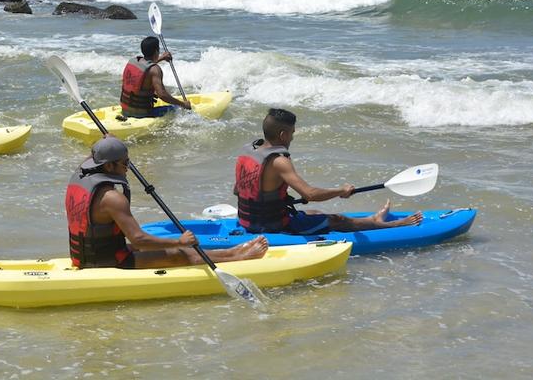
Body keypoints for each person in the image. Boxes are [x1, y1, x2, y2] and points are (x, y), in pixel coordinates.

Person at [66, 136, 268, 269]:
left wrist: (108, 142)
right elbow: (138, 239)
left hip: (86, 256)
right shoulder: (112, 198)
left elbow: (94, 155)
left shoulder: (80, 175)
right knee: (180, 254)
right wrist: (178, 241)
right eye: (125, 163)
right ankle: (239, 258)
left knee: (151, 248)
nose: (128, 167)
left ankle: (230, 251)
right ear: (109, 165)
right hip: (108, 262)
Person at [234, 108, 423, 235]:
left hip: (247, 221)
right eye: (292, 132)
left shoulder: (248, 151)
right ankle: (391, 225)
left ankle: (372, 220)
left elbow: (240, 190)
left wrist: (279, 200)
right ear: (283, 135)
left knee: (313, 212)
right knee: (335, 220)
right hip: (270, 227)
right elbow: (310, 193)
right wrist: (342, 191)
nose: (293, 136)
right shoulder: (279, 161)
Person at [119, 36, 191, 118]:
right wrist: (182, 104)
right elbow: (162, 95)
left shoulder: (133, 61)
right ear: (156, 51)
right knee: (178, 109)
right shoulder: (155, 70)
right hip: (141, 114)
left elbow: (146, 66)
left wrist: (162, 58)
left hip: (125, 110)